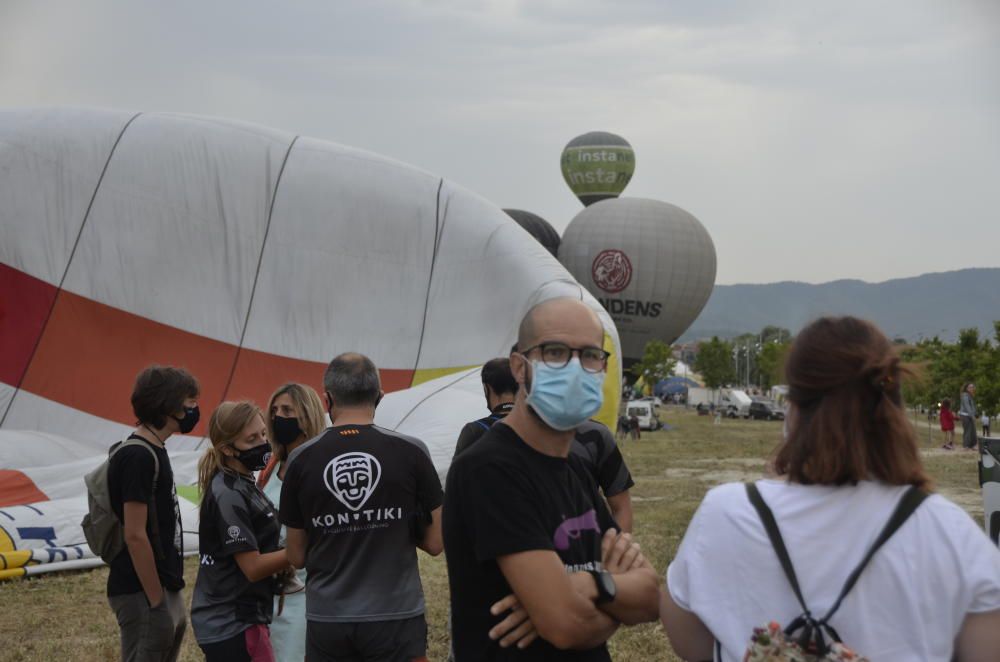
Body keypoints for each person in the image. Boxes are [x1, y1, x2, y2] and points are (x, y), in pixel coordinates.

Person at [661, 317, 1000, 661]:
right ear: (893, 407)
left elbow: (689, 640)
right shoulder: (948, 531)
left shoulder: (727, 513)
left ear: (793, 409)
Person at [444, 298, 660, 661]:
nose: (575, 368)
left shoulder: (574, 469)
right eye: (555, 352)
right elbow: (565, 626)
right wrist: (611, 600)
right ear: (519, 366)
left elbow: (652, 598)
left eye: (591, 355)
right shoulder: (488, 469)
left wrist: (589, 584)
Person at [279, 353, 444, 662]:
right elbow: (436, 543)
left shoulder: (300, 459)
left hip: (328, 619)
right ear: (379, 397)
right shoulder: (412, 451)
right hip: (396, 616)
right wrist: (399, 527)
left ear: (327, 399)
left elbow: (296, 556)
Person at [453, 357, 635, 532]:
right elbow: (621, 508)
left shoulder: (476, 432)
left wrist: (613, 557)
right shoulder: (596, 433)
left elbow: (457, 505)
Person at [106, 365, 198, 662]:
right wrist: (156, 600)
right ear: (168, 404)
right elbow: (134, 534)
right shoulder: (138, 456)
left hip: (160, 585)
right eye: (189, 401)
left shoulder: (155, 448)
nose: (194, 408)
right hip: (141, 591)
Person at [191, 401, 289, 661]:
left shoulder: (244, 481)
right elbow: (253, 567)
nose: (263, 443)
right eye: (251, 439)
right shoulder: (229, 493)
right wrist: (298, 552)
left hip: (241, 617)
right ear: (227, 449)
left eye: (263, 434)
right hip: (232, 623)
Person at [256, 383, 327, 662]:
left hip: (307, 589)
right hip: (270, 586)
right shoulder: (272, 465)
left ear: (307, 415)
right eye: (274, 411)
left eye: (287, 410)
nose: (277, 416)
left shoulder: (321, 464)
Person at [960, 382, 978, 451]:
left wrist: (975, 413)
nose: (972, 388)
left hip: (969, 415)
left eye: (973, 387)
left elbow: (972, 406)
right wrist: (971, 415)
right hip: (965, 415)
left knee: (973, 430)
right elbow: (967, 406)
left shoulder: (970, 396)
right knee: (967, 430)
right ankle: (966, 445)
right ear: (967, 388)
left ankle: (972, 445)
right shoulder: (965, 395)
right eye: (970, 387)